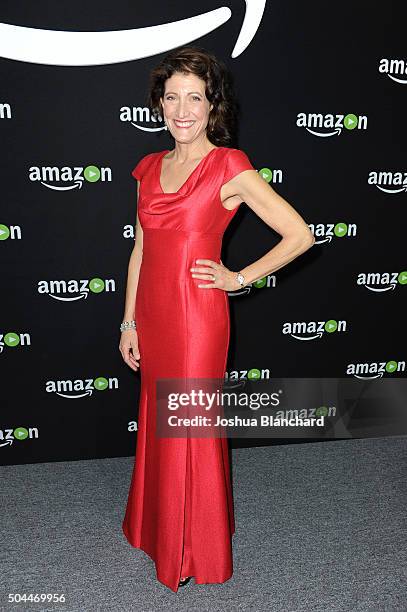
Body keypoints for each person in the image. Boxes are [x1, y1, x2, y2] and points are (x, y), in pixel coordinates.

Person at [120, 45, 315, 593]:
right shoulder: (148, 168)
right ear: (158, 104)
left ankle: (191, 548)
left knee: (189, 424)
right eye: (172, 98)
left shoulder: (230, 166)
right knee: (159, 418)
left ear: (212, 107)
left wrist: (238, 277)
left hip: (195, 317)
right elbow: (140, 248)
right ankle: (154, 529)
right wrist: (128, 321)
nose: (183, 110)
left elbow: (299, 235)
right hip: (153, 315)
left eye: (195, 99)